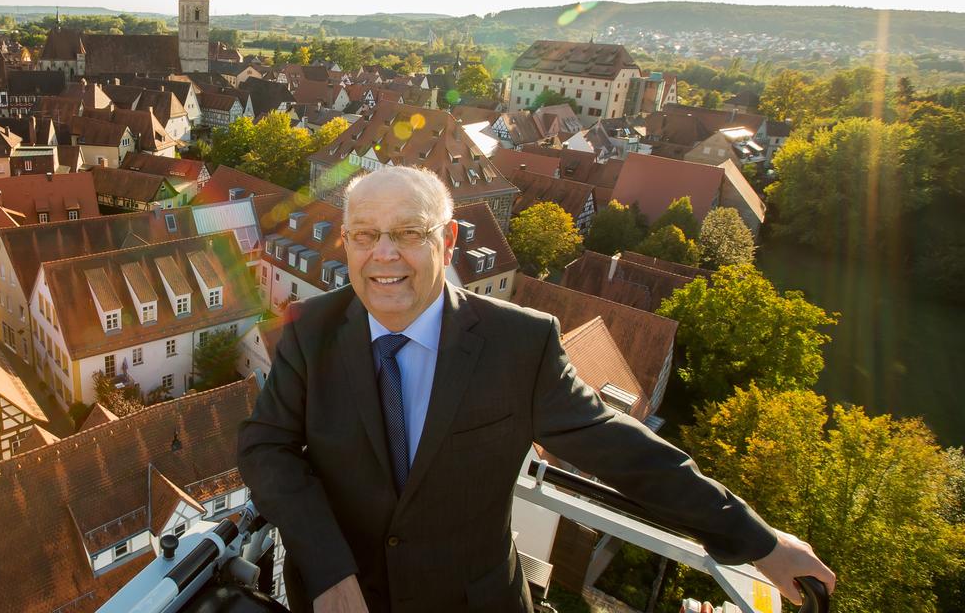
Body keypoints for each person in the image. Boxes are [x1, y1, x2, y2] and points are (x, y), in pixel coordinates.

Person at [237, 166, 835, 612]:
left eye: (409, 233)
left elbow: (622, 449)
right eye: (365, 235)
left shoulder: (519, 344)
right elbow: (266, 449)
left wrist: (756, 540)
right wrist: (329, 568)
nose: (384, 255)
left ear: (446, 244)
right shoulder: (312, 330)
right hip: (340, 600)